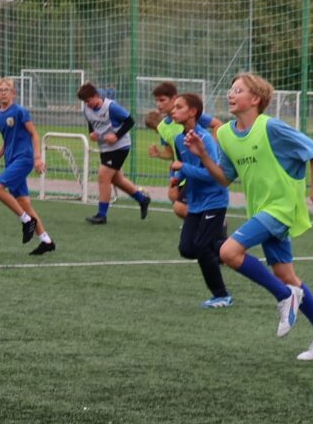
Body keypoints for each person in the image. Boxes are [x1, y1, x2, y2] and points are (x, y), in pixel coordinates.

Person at [189, 72, 313, 361]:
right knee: (286, 276)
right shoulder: (223, 134)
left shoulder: (271, 127)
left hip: (282, 208)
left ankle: (285, 297)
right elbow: (225, 178)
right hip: (260, 210)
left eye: (238, 90)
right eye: (230, 90)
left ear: (255, 99)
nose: (230, 94)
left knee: (228, 251)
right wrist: (203, 155)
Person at [167, 93, 232, 308]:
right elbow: (184, 167)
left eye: (178, 107)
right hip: (195, 202)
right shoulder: (179, 139)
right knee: (187, 248)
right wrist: (176, 180)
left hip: (214, 200)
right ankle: (226, 248)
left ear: (193, 112)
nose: (173, 110)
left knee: (202, 247)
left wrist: (182, 168)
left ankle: (222, 295)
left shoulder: (205, 140)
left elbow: (212, 174)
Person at [0, 77, 56, 255]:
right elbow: (8, 138)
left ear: (13, 93)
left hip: (24, 158)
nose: (3, 93)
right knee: (24, 203)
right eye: (0, 91)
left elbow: (34, 134)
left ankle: (26, 221)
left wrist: (37, 157)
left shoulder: (20, 111)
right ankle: (46, 241)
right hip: (11, 160)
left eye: (6, 90)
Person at [148, 81, 222, 220]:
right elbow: (171, 153)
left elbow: (217, 124)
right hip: (182, 169)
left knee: (180, 206)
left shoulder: (190, 115)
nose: (158, 104)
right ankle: (201, 224)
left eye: (162, 100)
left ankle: (211, 222)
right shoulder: (162, 127)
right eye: (156, 101)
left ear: (174, 98)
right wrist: (159, 154)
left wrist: (210, 147)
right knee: (174, 198)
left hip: (199, 167)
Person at [78, 83, 150, 224]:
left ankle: (101, 215)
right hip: (105, 148)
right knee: (117, 180)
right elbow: (91, 122)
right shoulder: (87, 109)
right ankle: (143, 199)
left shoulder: (111, 107)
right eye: (85, 102)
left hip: (120, 146)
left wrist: (116, 136)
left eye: (88, 100)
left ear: (95, 96)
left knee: (103, 177)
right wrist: (91, 133)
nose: (87, 104)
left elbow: (130, 121)